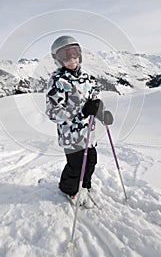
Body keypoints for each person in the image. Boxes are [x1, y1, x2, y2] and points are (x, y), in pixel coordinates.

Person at [46, 35, 113, 205]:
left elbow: (93, 101)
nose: (71, 59)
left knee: (91, 162)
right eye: (65, 55)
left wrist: (101, 113)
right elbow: (53, 112)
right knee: (76, 167)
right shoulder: (57, 82)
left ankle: (85, 185)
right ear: (58, 60)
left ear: (80, 54)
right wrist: (80, 111)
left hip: (88, 133)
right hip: (71, 136)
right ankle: (68, 189)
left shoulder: (87, 78)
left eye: (74, 53)